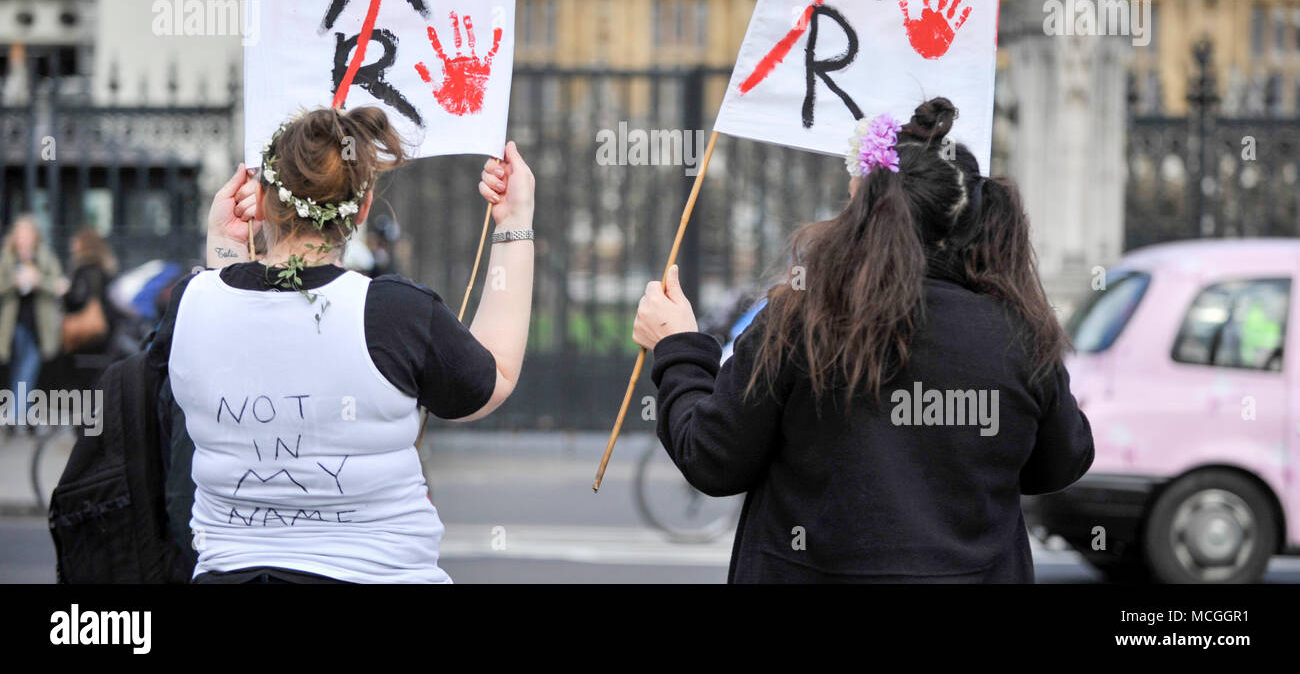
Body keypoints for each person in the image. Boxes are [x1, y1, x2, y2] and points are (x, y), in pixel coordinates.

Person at [634, 97, 1093, 583]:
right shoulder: (1017, 331)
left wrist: (679, 348)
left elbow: (713, 457)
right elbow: (1062, 462)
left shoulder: (803, 318)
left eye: (851, 201)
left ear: (865, 215)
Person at [149, 106, 535, 583]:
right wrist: (515, 224)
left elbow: (227, 317)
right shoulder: (393, 314)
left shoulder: (190, 302)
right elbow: (491, 377)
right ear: (364, 206)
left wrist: (225, 244)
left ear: (264, 199)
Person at [0, 215, 66, 431]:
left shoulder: (45, 257)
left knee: (28, 368)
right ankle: (25, 418)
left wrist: (38, 280)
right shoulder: (7, 258)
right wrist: (14, 281)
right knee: (21, 369)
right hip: (13, 324)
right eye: (20, 234)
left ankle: (16, 416)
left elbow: (58, 285)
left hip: (40, 324)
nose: (24, 238)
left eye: (27, 234)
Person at [61, 227, 119, 356]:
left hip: (87, 327)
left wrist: (65, 293)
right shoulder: (105, 267)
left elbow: (78, 298)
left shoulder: (83, 268)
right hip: (106, 326)